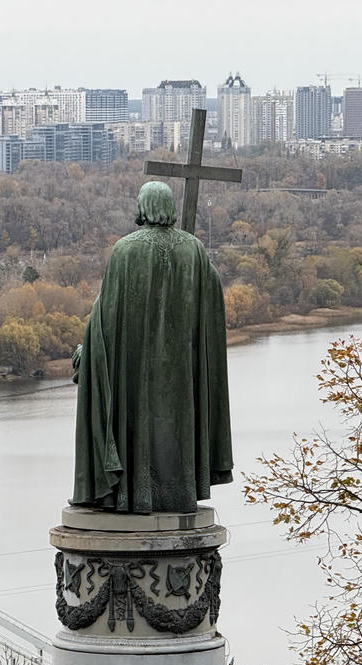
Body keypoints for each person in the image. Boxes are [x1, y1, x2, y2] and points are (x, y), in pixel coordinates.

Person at [71, 181, 233, 514]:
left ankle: (134, 493)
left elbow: (107, 318)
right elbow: (211, 304)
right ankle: (179, 493)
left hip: (134, 371)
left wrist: (88, 352)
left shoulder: (126, 250)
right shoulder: (194, 250)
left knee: (135, 424)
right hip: (181, 374)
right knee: (176, 430)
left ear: (143, 207)